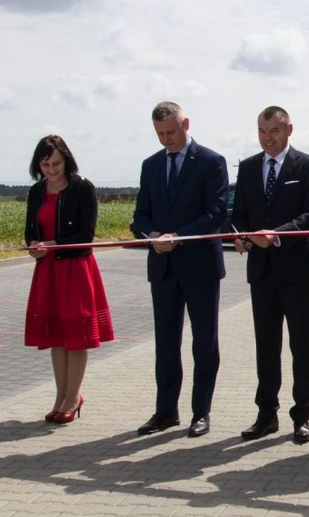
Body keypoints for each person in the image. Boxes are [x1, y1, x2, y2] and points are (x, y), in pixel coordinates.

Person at [131, 101, 228, 438]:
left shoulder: (211, 162)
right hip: (163, 268)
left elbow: (217, 212)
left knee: (204, 342)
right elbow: (140, 215)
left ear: (186, 124)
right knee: (166, 344)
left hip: (199, 265)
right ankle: (165, 411)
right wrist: (152, 235)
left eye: (171, 132)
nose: (166, 140)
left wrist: (180, 237)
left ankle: (201, 412)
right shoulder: (151, 165)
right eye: (159, 134)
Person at [231, 106, 309, 445]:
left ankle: (301, 417)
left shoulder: (308, 165)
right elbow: (239, 212)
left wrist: (276, 233)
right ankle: (265, 414)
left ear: (289, 130)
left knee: (301, 346)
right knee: (266, 346)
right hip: (262, 271)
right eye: (261, 131)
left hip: (299, 270)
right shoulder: (249, 166)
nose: (267, 137)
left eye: (274, 131)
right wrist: (240, 235)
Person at [24, 135, 115, 424]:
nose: (51, 169)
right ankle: (60, 395)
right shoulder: (36, 191)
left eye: (56, 163)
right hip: (47, 271)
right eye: (45, 164)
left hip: (75, 270)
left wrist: (52, 244)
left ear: (67, 160)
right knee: (56, 338)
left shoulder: (82, 188)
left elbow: (86, 237)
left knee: (76, 338)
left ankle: (73, 396)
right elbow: (30, 231)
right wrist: (34, 246)